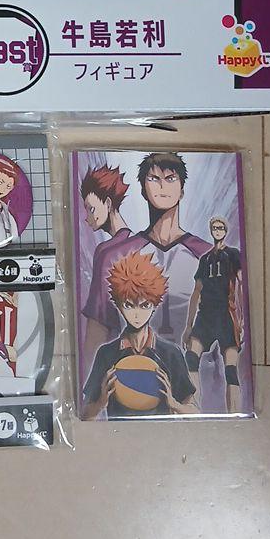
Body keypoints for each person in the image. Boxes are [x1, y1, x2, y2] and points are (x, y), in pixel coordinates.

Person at [81, 152, 211, 365]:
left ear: (182, 190)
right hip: (132, 371)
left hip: (197, 372)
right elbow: (96, 337)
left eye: (170, 178)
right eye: (154, 179)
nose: (162, 186)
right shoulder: (114, 256)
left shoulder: (206, 254)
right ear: (143, 190)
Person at [83, 251, 197, 419]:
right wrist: (100, 403)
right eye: (129, 305)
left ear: (155, 305)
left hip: (163, 432)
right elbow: (84, 415)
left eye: (144, 305)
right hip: (119, 433)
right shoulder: (106, 353)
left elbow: (196, 412)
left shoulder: (171, 353)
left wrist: (174, 404)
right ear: (118, 304)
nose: (136, 314)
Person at [184, 216, 245, 413]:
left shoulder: (233, 254)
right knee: (191, 358)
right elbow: (196, 291)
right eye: (215, 227)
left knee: (231, 369)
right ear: (211, 230)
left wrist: (242, 318)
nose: (218, 230)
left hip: (226, 315)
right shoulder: (205, 259)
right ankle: (194, 408)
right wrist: (188, 325)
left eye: (221, 227)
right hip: (206, 316)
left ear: (225, 231)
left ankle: (234, 415)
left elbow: (241, 285)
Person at [80, 163, 131, 239]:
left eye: (91, 209)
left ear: (108, 203)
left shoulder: (112, 245)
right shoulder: (137, 239)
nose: (87, 219)